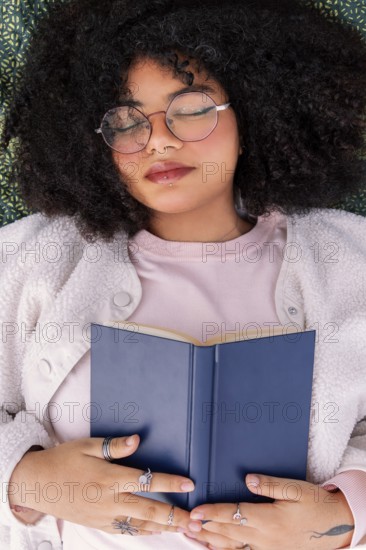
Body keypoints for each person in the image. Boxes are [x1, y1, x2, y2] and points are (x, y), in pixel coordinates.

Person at [1, 0, 366, 548]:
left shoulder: (352, 261)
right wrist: (23, 480)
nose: (158, 140)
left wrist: (345, 518)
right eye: (125, 121)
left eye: (191, 109)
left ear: (254, 113)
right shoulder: (31, 261)